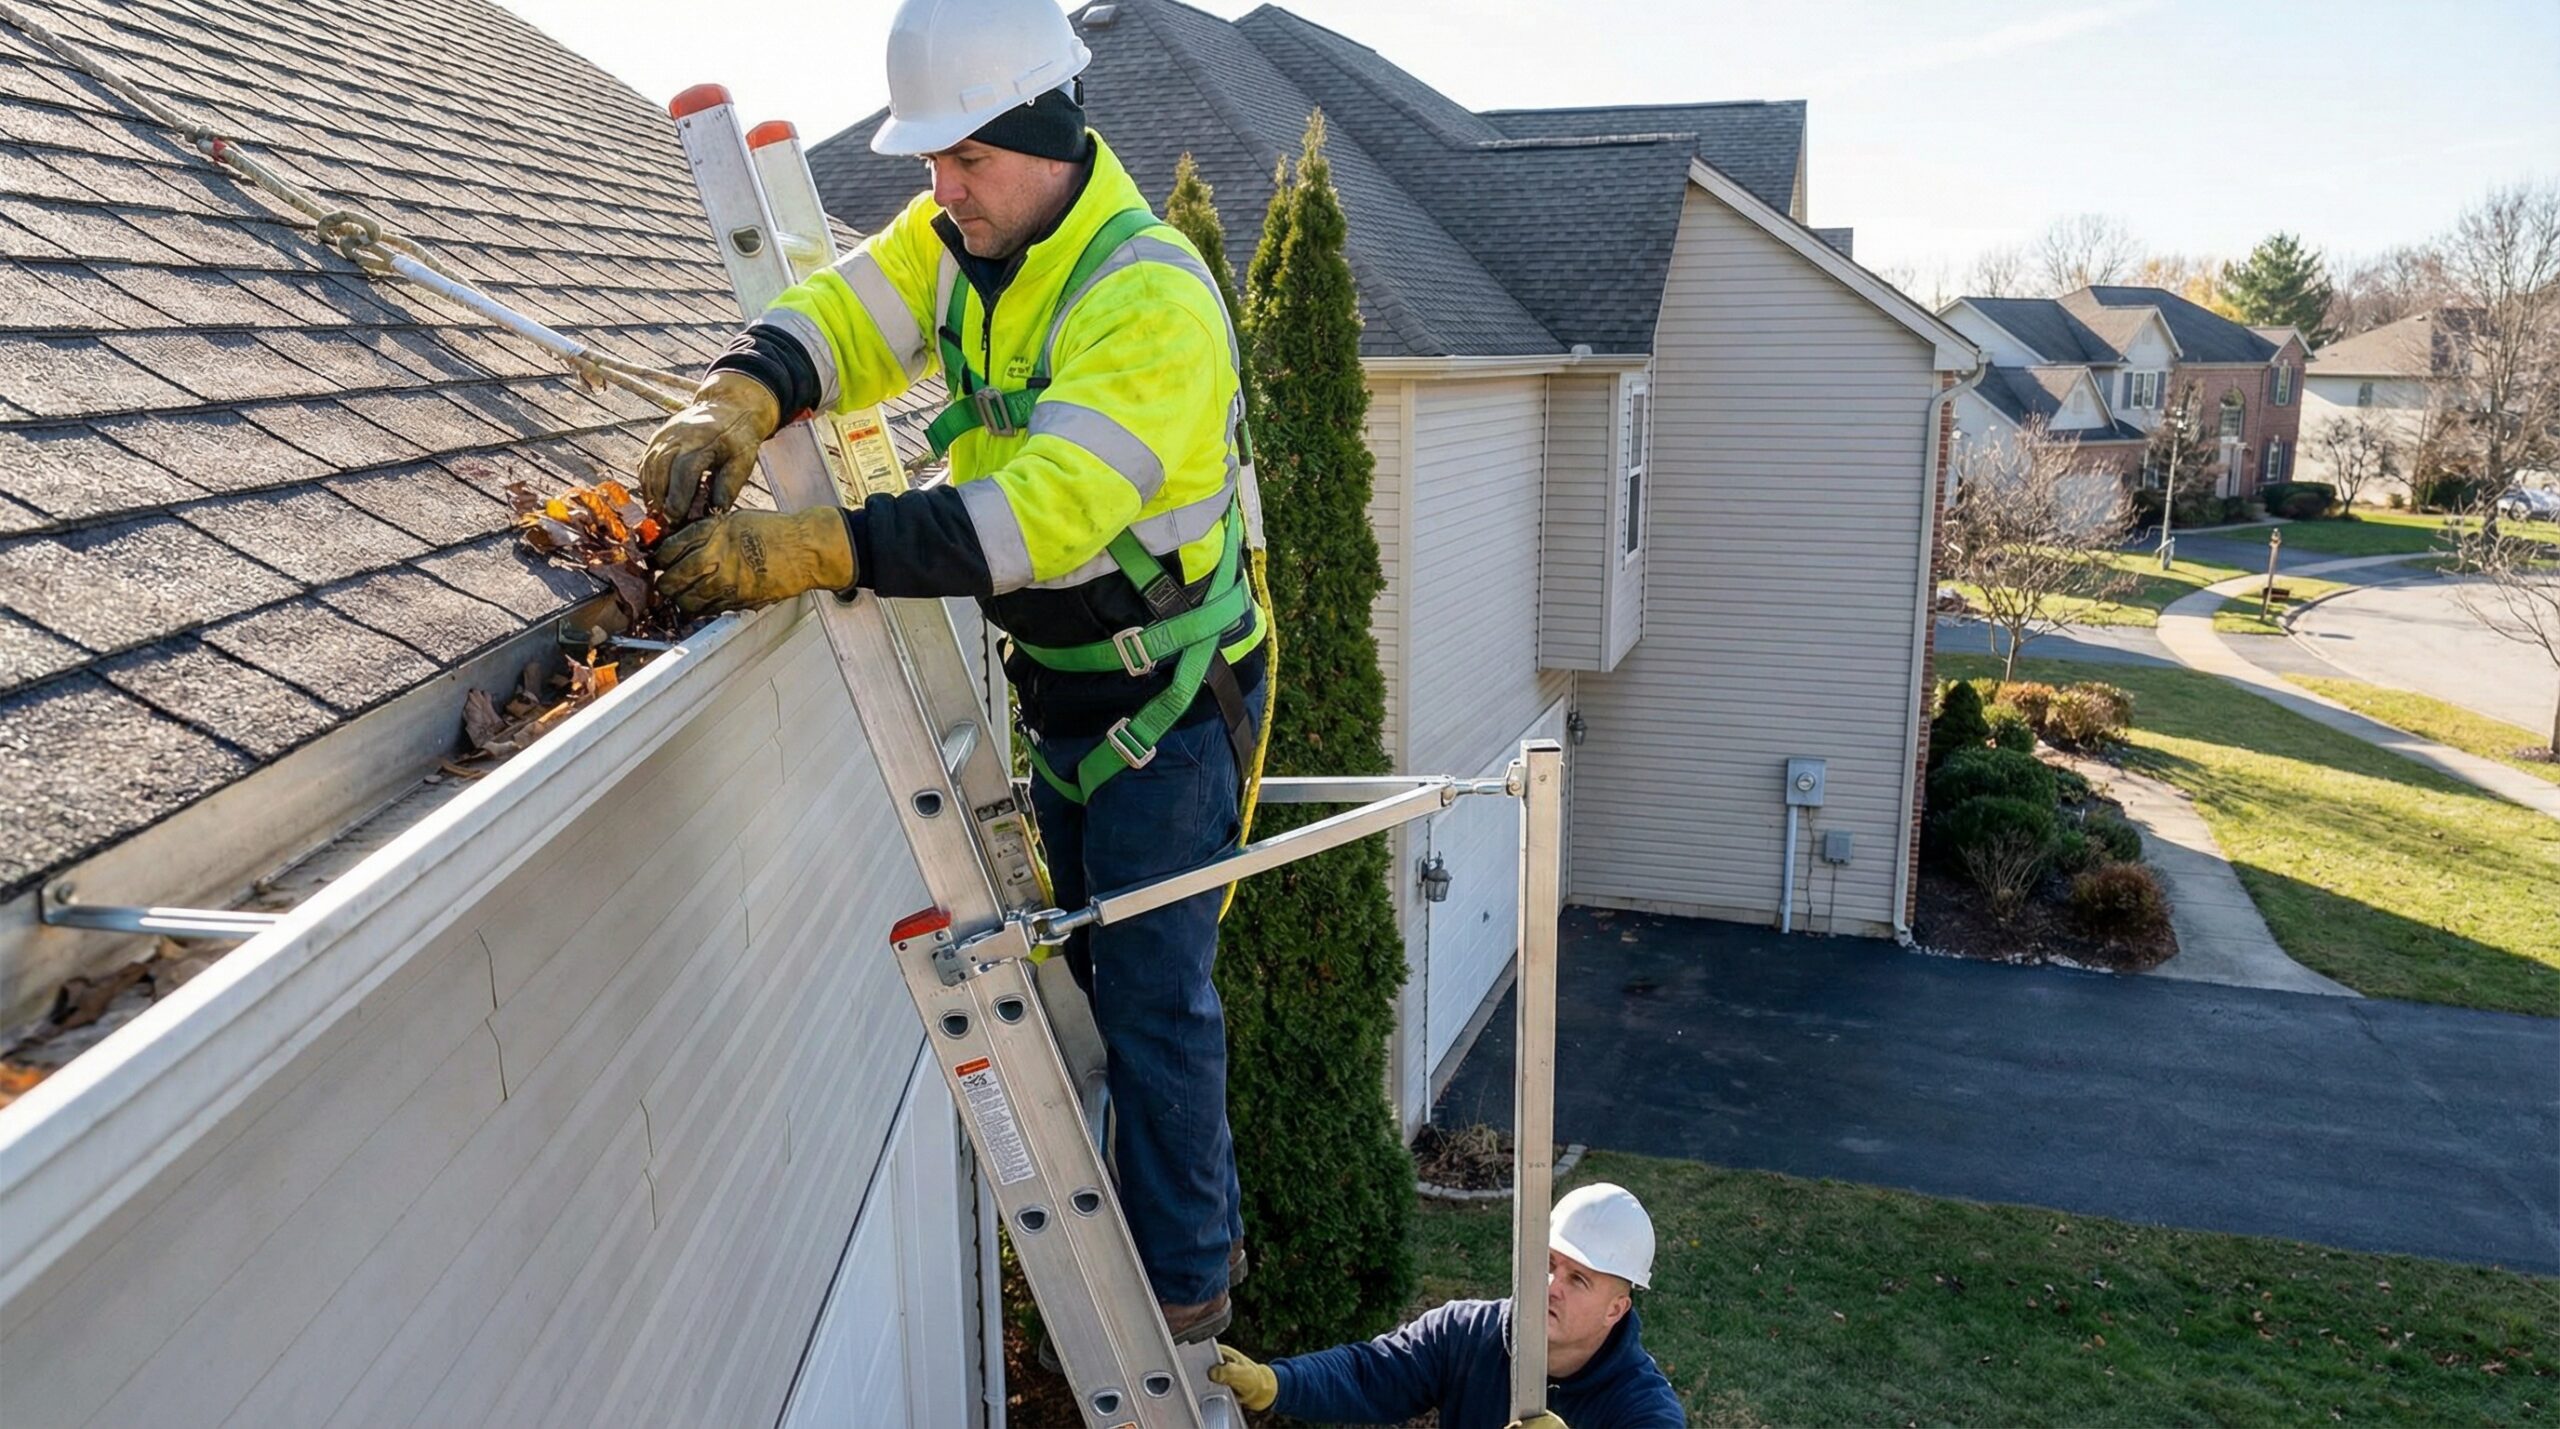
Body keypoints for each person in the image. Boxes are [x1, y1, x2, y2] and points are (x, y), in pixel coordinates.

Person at [635, 0, 1265, 1342]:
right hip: (1069, 697)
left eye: (964, 161)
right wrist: (742, 391)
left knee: (1154, 990)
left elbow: (1026, 523)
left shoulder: (1148, 298)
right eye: (933, 165)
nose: (941, 190)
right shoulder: (971, 239)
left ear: (1047, 135)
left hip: (1170, 704)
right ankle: (1151, 1208)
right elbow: (847, 315)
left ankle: (1191, 1279)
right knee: (1096, 982)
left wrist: (819, 546)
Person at [1207, 1183, 1685, 1428]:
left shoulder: (1642, 1410)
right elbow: (1371, 1373)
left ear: (1616, 1310)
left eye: (1578, 1279)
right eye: (1548, 1262)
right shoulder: (1467, 1334)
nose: (1551, 1285)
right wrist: (1277, 1383)